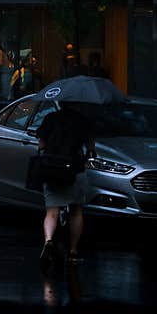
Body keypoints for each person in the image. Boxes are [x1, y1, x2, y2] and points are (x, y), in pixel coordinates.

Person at [35, 101, 96, 270]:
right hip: (75, 169)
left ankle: (48, 241)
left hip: (51, 168)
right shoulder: (83, 121)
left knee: (52, 211)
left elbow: (41, 144)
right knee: (76, 211)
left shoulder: (50, 118)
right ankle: (73, 251)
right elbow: (90, 147)